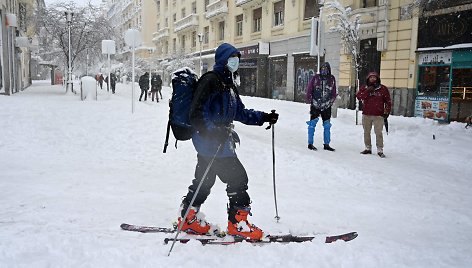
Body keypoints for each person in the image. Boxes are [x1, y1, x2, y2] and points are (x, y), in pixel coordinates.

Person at [177, 43, 279, 240]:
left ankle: (188, 217)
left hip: (219, 143)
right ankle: (238, 224)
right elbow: (196, 114)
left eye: (237, 59)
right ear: (223, 59)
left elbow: (240, 112)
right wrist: (215, 132)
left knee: (204, 181)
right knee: (238, 179)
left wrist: (264, 117)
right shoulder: (211, 81)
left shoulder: (229, 85)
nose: (236, 62)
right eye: (233, 58)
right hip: (211, 143)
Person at [356, 72, 391, 158]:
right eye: (370, 77)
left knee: (378, 132)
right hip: (366, 114)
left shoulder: (383, 88)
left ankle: (380, 149)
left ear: (377, 79)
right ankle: (368, 148)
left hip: (378, 114)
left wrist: (387, 111)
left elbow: (388, 101)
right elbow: (359, 96)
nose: (372, 79)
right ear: (368, 79)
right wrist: (367, 91)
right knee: (366, 132)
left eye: (374, 77)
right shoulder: (364, 88)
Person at [305, 62, 337, 151]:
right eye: (322, 69)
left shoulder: (332, 79)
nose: (324, 71)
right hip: (315, 104)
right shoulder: (316, 78)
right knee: (312, 124)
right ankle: (310, 143)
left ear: (329, 70)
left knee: (327, 125)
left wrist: (330, 102)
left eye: (326, 69)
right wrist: (311, 100)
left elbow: (333, 92)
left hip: (327, 106)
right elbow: (309, 89)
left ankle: (327, 144)